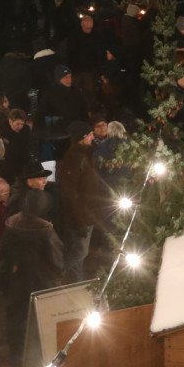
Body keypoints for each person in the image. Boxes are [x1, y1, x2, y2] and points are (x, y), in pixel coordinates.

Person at [0, 190, 64, 364]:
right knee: (41, 321)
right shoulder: (47, 232)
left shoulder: (11, 226)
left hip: (15, 281)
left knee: (16, 316)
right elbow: (57, 261)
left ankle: (16, 354)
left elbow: (3, 249)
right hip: (42, 283)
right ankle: (40, 357)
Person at [56, 121, 104, 283]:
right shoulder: (75, 158)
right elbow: (69, 193)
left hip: (86, 213)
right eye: (89, 134)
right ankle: (56, 276)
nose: (93, 136)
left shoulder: (86, 154)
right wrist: (78, 219)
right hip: (80, 218)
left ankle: (76, 282)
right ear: (80, 138)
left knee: (80, 253)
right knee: (79, 252)